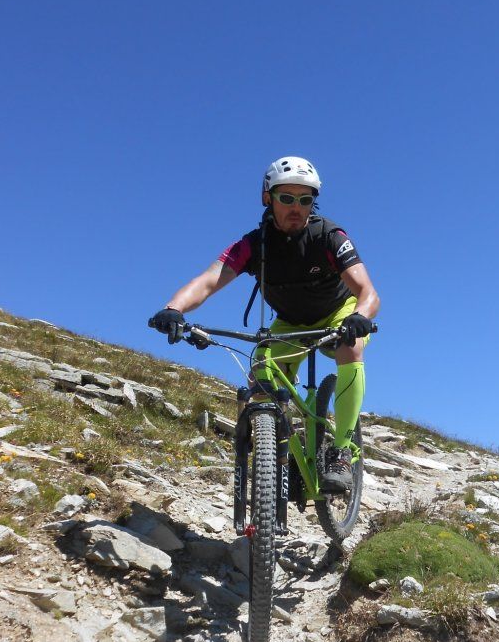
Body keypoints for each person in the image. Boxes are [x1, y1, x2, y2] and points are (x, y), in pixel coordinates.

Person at [149, 155, 380, 492]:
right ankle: (282, 454)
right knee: (261, 375)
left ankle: (342, 452)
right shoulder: (253, 245)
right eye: (287, 198)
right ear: (267, 198)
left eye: (305, 199)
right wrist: (174, 308)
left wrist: (359, 317)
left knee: (350, 347)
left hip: (338, 313)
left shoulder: (330, 235)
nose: (296, 208)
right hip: (290, 323)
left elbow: (368, 292)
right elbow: (208, 281)